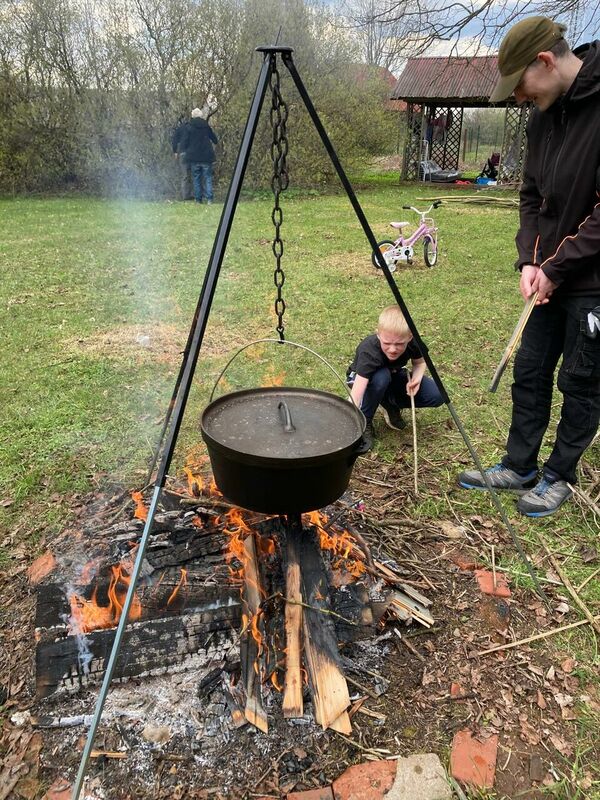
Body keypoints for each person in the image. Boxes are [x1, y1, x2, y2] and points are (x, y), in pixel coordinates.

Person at [458, 16, 600, 517]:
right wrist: (529, 260)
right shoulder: (544, 115)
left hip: (591, 282)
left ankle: (560, 475)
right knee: (531, 369)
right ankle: (520, 465)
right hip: (548, 273)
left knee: (581, 381)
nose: (519, 98)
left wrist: (557, 266)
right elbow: (531, 196)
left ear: (545, 61)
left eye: (520, 85)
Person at [347, 305, 443, 452]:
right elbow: (357, 392)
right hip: (364, 380)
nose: (393, 349)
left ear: (410, 337)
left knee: (438, 394)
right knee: (381, 377)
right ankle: (365, 421)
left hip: (392, 376)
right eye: (387, 343)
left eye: (399, 344)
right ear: (378, 334)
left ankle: (390, 403)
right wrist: (350, 421)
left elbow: (420, 362)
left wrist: (416, 378)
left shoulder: (413, 342)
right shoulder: (369, 351)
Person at [179, 106, 218, 204]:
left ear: (192, 116)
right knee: (208, 178)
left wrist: (182, 151)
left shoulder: (189, 127)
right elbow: (214, 138)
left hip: (194, 157)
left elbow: (184, 142)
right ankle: (209, 199)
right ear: (201, 116)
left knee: (196, 178)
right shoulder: (206, 126)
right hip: (206, 157)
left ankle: (198, 199)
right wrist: (214, 142)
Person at [171, 114, 192, 201]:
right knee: (194, 174)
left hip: (183, 153)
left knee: (185, 175)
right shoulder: (192, 128)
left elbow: (174, 140)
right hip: (192, 153)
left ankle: (185, 195)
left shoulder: (179, 129)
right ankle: (194, 194)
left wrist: (175, 152)